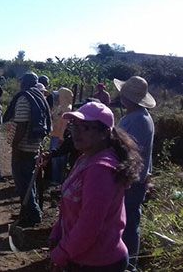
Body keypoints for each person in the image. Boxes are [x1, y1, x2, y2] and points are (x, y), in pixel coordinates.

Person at [49, 102, 142, 271]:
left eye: (85, 127)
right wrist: (57, 233)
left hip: (98, 262)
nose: (76, 132)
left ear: (104, 133)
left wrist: (61, 253)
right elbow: (70, 206)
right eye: (74, 125)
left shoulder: (100, 170)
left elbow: (88, 226)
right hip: (82, 255)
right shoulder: (86, 158)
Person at [114, 76, 156, 269]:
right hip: (132, 178)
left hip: (131, 181)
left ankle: (129, 264)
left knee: (129, 223)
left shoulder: (138, 119)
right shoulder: (137, 116)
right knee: (126, 221)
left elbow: (131, 153)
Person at [4, 72, 51, 226]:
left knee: (23, 184)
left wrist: (15, 147)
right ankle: (28, 213)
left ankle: (33, 215)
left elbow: (22, 126)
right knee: (29, 182)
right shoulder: (39, 97)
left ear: (24, 82)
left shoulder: (25, 98)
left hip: (23, 148)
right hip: (34, 146)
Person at [48, 87, 74, 184]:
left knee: (58, 159)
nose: (57, 97)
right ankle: (54, 178)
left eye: (59, 95)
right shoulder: (60, 107)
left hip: (59, 137)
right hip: (55, 135)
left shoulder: (67, 108)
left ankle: (57, 180)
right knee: (54, 158)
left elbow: (65, 124)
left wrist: (61, 137)